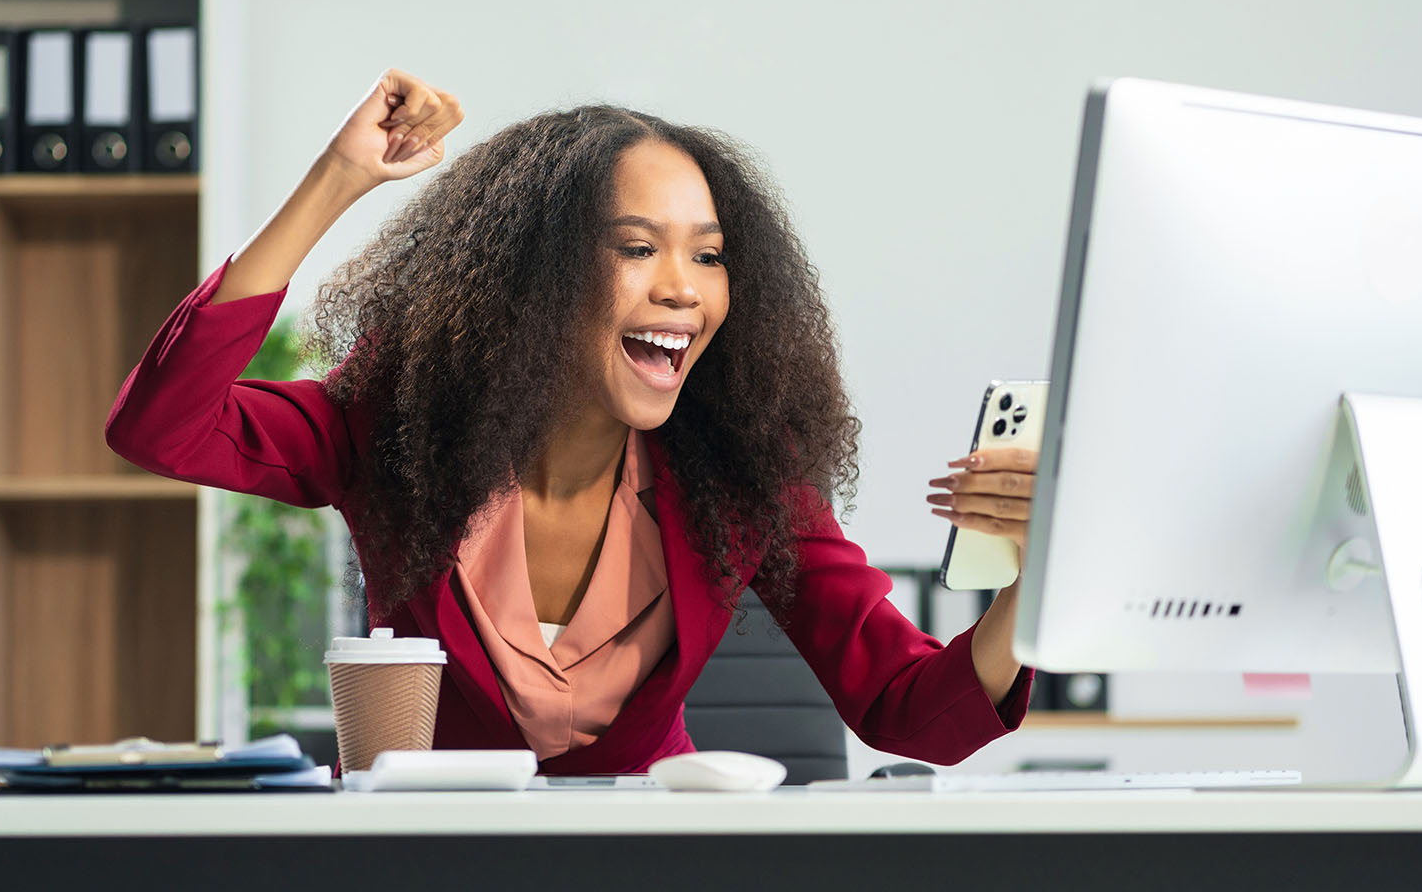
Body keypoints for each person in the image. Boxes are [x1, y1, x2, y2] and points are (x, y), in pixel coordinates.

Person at [105, 69, 1036, 774]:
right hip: (420, 871)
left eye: (708, 256)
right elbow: (163, 424)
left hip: (642, 873)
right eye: (637, 247)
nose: (682, 288)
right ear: (535, 280)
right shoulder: (398, 426)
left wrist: (1039, 578)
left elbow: (909, 705)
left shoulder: (745, 467)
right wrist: (336, 182)